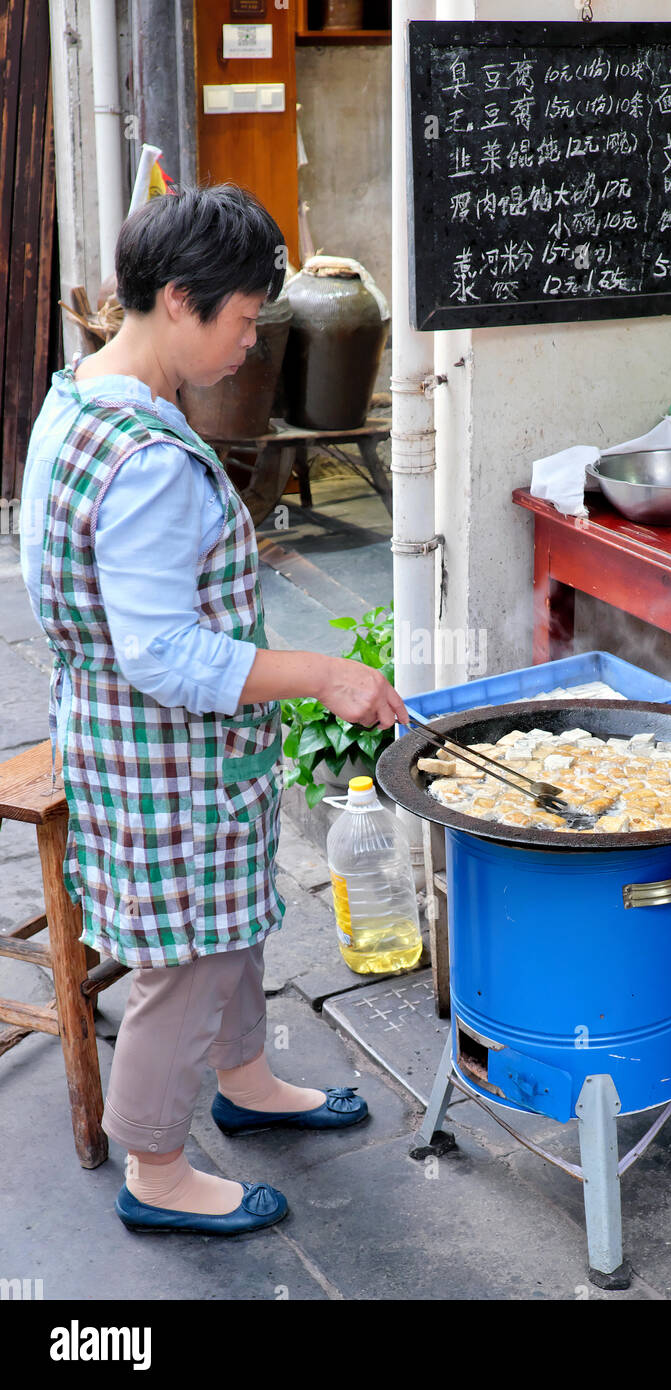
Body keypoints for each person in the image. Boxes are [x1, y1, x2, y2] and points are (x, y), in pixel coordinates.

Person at [20, 183, 409, 1236]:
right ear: (181, 302)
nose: (251, 344)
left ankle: (247, 1078)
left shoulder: (82, 396)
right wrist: (324, 675)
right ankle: (156, 1167)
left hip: (160, 751)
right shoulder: (145, 462)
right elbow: (164, 654)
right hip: (162, 756)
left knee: (225, 927)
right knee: (179, 966)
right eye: (243, 319)